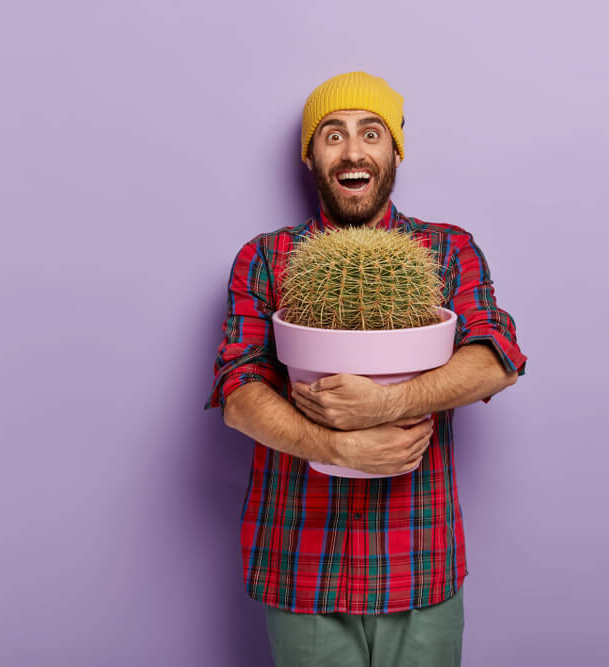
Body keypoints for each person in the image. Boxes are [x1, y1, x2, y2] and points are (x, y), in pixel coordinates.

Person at [205, 71, 527, 667]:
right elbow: (237, 394)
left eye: (371, 133)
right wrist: (339, 447)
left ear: (393, 150)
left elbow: (496, 358)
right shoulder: (266, 257)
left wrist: (383, 405)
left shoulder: (444, 250)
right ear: (311, 155)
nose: (353, 150)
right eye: (333, 135)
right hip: (300, 561)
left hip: (417, 558)